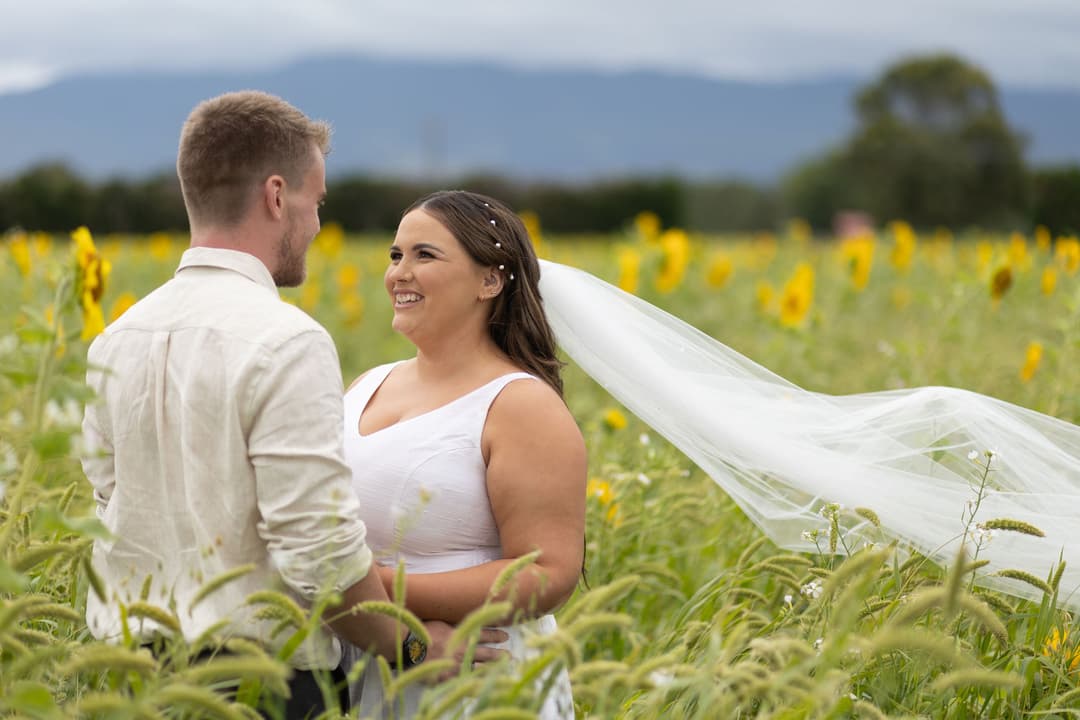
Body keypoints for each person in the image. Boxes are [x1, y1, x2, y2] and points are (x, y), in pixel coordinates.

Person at [80, 92, 495, 719]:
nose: (318, 224)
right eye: (316, 201)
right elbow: (318, 549)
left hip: (131, 681)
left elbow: (109, 501)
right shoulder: (286, 340)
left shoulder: (117, 337)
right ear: (277, 196)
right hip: (259, 687)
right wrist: (410, 647)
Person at [341, 190, 586, 718]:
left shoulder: (520, 404)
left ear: (489, 281)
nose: (399, 273)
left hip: (478, 681)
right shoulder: (366, 386)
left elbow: (547, 572)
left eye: (424, 255)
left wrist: (371, 586)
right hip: (367, 667)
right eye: (395, 255)